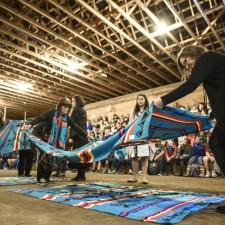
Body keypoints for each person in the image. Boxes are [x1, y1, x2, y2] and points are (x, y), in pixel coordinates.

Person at [154, 45, 225, 213]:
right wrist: (212, 114)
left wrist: (164, 100)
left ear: (193, 53)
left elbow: (191, 84)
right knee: (215, 143)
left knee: (216, 143)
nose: (187, 66)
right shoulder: (211, 63)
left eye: (186, 60)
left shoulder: (206, 57)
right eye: (184, 65)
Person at [26, 97, 86, 182]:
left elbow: (76, 126)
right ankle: (40, 177)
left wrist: (86, 135)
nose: (66, 109)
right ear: (60, 106)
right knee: (44, 157)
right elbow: (40, 117)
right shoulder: (52, 113)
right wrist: (31, 124)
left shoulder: (67, 118)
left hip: (58, 142)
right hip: (46, 138)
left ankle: (46, 177)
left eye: (68, 107)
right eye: (64, 106)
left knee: (52, 159)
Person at [127, 94, 150, 184]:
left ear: (145, 100)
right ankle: (134, 177)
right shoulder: (133, 111)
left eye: (142, 99)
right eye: (138, 99)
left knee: (144, 157)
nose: (140, 100)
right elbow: (130, 124)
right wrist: (129, 136)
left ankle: (144, 177)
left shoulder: (148, 111)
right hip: (134, 135)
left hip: (144, 135)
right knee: (134, 157)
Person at [69, 95, 88, 181]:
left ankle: (80, 175)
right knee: (82, 156)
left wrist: (71, 135)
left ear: (77, 101)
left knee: (79, 156)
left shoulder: (76, 110)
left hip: (78, 136)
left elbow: (74, 124)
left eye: (73, 101)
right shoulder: (83, 110)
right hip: (83, 136)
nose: (71, 103)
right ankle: (81, 175)